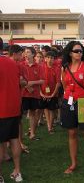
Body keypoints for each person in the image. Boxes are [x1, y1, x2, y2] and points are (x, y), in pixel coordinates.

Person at [61, 41, 84, 174]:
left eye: (81, 51)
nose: (79, 53)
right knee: (71, 133)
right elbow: (64, 85)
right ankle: (73, 163)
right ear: (70, 53)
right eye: (77, 51)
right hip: (69, 102)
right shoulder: (65, 67)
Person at [0, 38, 23, 182]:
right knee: (14, 139)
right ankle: (17, 172)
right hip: (13, 107)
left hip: (2, 108)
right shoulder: (13, 63)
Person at [21, 47, 44, 140]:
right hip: (23, 94)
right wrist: (27, 86)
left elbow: (42, 81)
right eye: (25, 52)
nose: (26, 54)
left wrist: (32, 83)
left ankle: (32, 133)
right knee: (20, 115)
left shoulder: (39, 66)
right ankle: (19, 136)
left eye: (28, 52)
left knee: (32, 113)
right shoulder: (21, 65)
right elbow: (19, 78)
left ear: (33, 54)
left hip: (34, 94)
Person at [40, 51, 61, 134]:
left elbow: (58, 83)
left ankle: (50, 126)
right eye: (48, 57)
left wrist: (53, 94)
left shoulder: (57, 68)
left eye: (51, 58)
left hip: (53, 93)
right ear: (45, 59)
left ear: (54, 59)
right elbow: (39, 81)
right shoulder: (42, 67)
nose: (49, 59)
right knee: (46, 109)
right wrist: (41, 93)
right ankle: (49, 125)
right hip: (43, 92)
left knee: (52, 110)